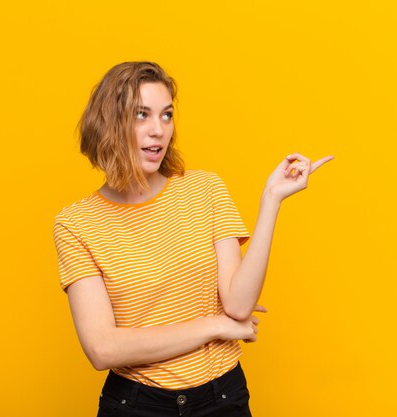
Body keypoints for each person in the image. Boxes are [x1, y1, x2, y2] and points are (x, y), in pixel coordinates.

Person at [52, 61, 334, 417]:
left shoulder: (205, 189)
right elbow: (103, 349)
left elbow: (238, 305)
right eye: (142, 115)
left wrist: (271, 200)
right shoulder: (77, 224)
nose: (158, 130)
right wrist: (214, 326)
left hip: (222, 398)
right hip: (137, 406)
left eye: (166, 115)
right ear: (108, 124)